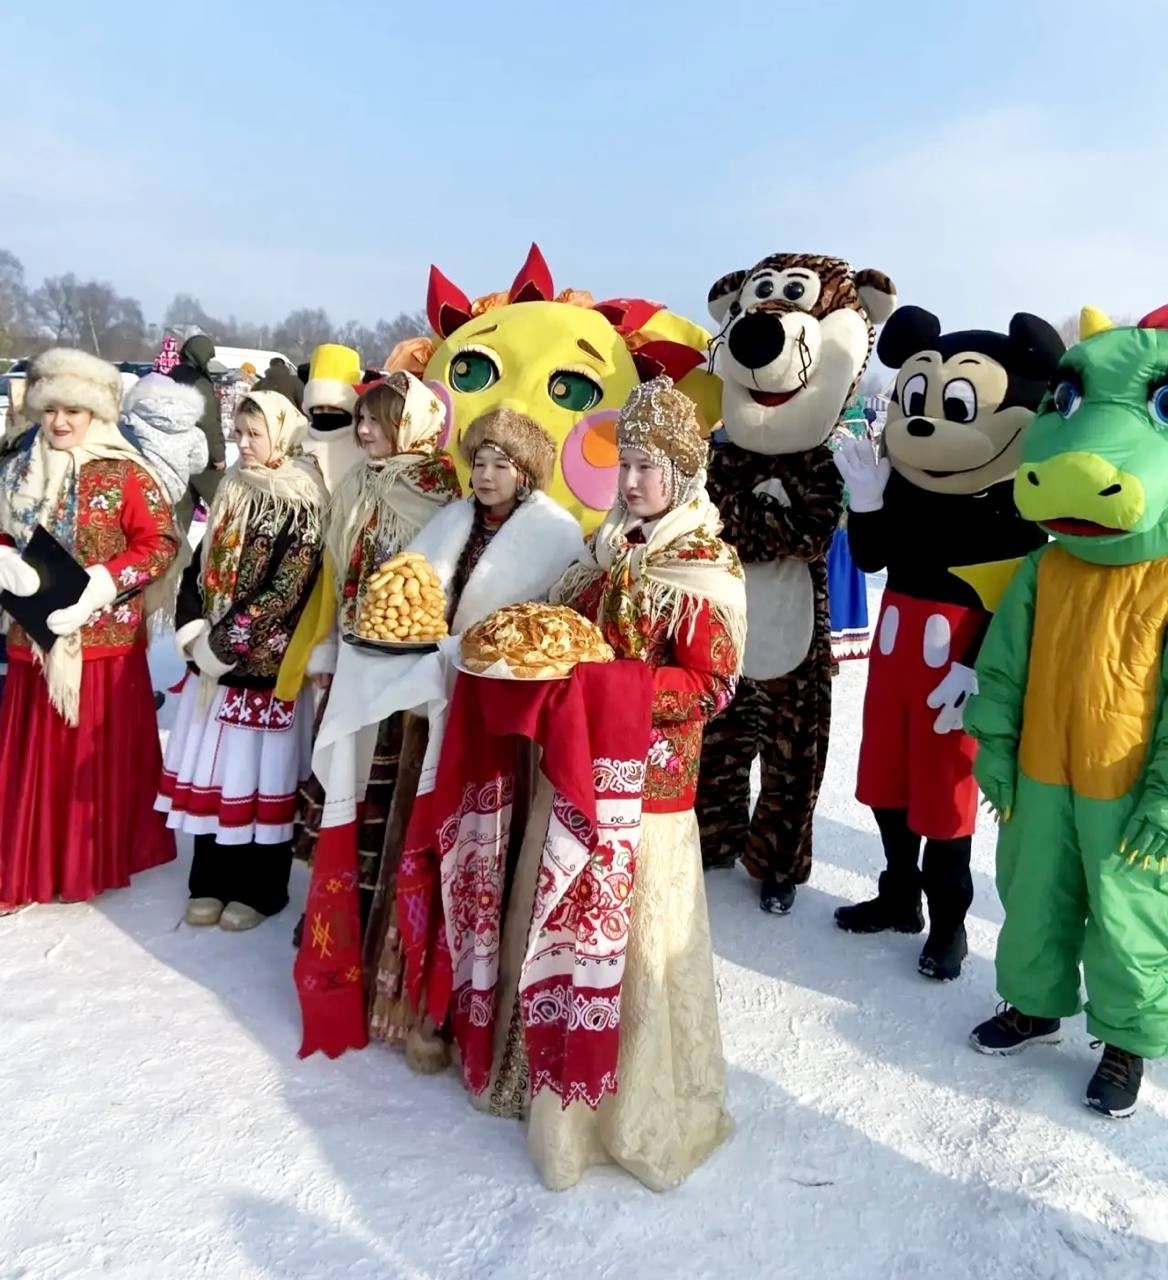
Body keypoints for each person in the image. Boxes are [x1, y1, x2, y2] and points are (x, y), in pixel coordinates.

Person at [470, 376, 747, 1190]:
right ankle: (555, 1099)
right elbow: (566, 635)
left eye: (647, 466)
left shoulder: (705, 564)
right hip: (577, 773)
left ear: (683, 473)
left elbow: (715, 685)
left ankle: (630, 1112)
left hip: (650, 796)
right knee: (562, 930)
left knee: (634, 948)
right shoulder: (604, 548)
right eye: (624, 463)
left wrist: (608, 690)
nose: (630, 481)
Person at [295, 406, 583, 1062]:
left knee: (477, 858)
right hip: (426, 710)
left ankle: (454, 1011)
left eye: (500, 464)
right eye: (479, 462)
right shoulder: (450, 520)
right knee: (416, 844)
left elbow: (550, 632)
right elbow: (408, 603)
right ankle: (399, 996)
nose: (485, 475)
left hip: (495, 726)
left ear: (526, 472)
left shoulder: (555, 537)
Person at [0, 348, 180, 909]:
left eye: (72, 410)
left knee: (86, 766)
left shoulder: (124, 472)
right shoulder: (18, 468)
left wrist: (102, 584)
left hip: (103, 645)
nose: (59, 421)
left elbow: (161, 544)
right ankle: (26, 864)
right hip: (33, 636)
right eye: (51, 409)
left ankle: (86, 861)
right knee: (35, 763)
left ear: (95, 412)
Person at [293, 371, 461, 932]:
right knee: (344, 776)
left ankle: (373, 916)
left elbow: (441, 587)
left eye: (378, 421)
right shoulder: (357, 483)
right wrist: (329, 644)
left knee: (382, 795)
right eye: (362, 419)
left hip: (402, 673)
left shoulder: (440, 493)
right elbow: (338, 572)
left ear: (410, 425)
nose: (364, 431)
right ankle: (330, 912)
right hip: (353, 654)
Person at [156, 390, 327, 931]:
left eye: (255, 433)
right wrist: (191, 628)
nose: (244, 443)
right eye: (238, 432)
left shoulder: (304, 498)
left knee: (257, 775)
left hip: (265, 667)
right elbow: (200, 565)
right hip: (213, 664)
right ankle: (209, 879)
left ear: (282, 434)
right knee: (215, 769)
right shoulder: (232, 486)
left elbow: (287, 588)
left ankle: (260, 888)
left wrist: (223, 645)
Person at [120, 372, 210, 516]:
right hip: (173, 494)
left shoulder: (128, 421)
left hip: (136, 491)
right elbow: (198, 465)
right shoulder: (193, 431)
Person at [168, 334, 227, 528]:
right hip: (202, 458)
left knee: (179, 515)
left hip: (176, 454)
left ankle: (176, 548)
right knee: (226, 512)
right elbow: (208, 422)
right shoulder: (199, 382)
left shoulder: (172, 376)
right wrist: (218, 456)